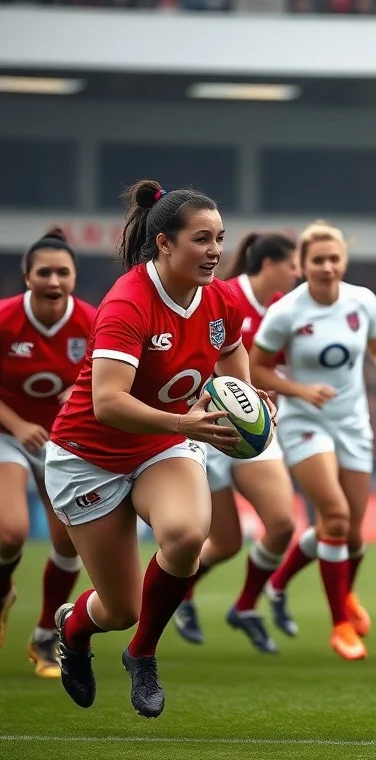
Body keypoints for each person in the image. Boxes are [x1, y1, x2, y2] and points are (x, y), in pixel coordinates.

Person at [45, 180, 273, 718]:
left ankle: (142, 653)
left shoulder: (221, 298)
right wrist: (185, 422)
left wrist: (244, 398)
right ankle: (73, 630)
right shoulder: (127, 303)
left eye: (220, 238)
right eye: (202, 239)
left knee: (188, 534)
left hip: (163, 443)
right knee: (120, 608)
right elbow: (108, 403)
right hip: (88, 455)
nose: (215, 251)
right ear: (165, 243)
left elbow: (231, 353)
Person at [249, 220, 376, 660]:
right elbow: (256, 367)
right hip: (304, 421)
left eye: (334, 259)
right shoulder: (286, 311)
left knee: (351, 535)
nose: (327, 267)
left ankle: (281, 583)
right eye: (318, 260)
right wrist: (300, 391)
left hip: (352, 422)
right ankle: (340, 624)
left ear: (344, 261)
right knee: (335, 516)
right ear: (302, 265)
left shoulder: (363, 301)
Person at [173, 232, 301, 653]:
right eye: (292, 265)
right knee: (225, 543)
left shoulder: (285, 308)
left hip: (252, 425)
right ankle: (180, 596)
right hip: (205, 427)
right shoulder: (225, 296)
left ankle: (245, 606)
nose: (297, 273)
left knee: (281, 525)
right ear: (268, 265)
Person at [0, 228, 95, 678]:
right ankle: (3, 592)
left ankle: (43, 636)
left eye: (62, 272)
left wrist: (82, 387)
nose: (54, 281)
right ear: (27, 277)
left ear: (74, 276)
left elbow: (111, 374)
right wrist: (18, 425)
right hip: (8, 435)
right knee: (10, 533)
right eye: (44, 273)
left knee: (67, 541)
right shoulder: (5, 319)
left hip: (66, 439)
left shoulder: (93, 321)